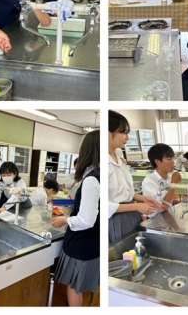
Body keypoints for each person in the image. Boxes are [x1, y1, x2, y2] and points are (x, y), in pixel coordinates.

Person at [53, 130, 100, 306]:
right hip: (94, 242)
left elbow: (86, 220)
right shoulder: (100, 175)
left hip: (81, 243)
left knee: (74, 286)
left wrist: (64, 220)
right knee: (82, 285)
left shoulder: (91, 179)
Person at [108, 111, 161, 244]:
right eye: (123, 132)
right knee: (123, 251)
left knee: (136, 250)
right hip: (117, 219)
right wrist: (136, 206)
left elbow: (123, 192)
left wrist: (142, 198)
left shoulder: (119, 156)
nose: (127, 138)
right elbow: (105, 205)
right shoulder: (101, 162)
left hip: (131, 214)